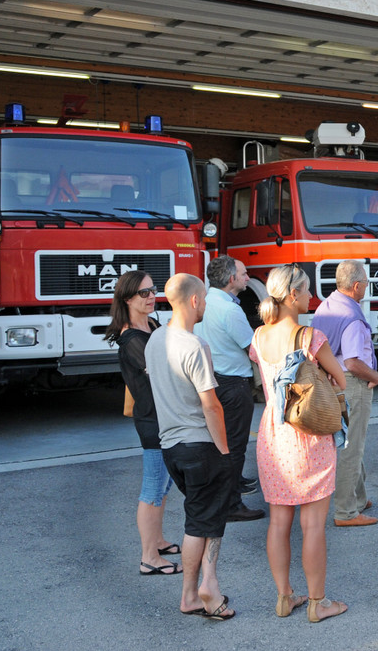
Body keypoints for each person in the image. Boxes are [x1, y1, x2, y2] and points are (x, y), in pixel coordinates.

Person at [250, 263, 348, 622]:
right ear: (292, 295)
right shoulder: (309, 336)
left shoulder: (259, 336)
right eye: (307, 291)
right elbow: (341, 379)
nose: (311, 297)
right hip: (307, 435)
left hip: (272, 434)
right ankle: (318, 603)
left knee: (278, 522)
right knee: (312, 526)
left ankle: (284, 597)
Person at [145, 273, 235, 621]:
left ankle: (192, 595)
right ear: (195, 300)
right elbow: (211, 405)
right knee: (201, 522)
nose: (206, 305)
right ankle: (202, 590)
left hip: (171, 447)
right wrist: (225, 451)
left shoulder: (155, 340)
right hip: (200, 445)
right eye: (204, 299)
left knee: (203, 516)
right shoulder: (194, 346)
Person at [104, 271, 181, 577]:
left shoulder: (150, 324)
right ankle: (149, 557)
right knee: (152, 488)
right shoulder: (131, 339)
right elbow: (165, 370)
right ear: (127, 300)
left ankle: (158, 540)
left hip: (164, 418)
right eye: (144, 294)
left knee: (163, 485)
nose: (152, 297)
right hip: (153, 422)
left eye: (153, 291)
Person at [193, 256, 265, 522]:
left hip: (212, 380)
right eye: (244, 274)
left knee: (220, 443)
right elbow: (253, 349)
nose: (248, 278)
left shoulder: (205, 300)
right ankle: (232, 503)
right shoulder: (230, 310)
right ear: (231, 278)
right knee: (235, 445)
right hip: (233, 384)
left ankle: (230, 487)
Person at [312, 260, 378, 527]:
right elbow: (353, 361)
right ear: (356, 286)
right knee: (353, 446)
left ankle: (359, 498)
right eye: (365, 283)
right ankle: (346, 511)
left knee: (350, 442)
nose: (366, 287)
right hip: (352, 383)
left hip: (332, 381)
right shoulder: (352, 316)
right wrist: (376, 376)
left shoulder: (327, 305)